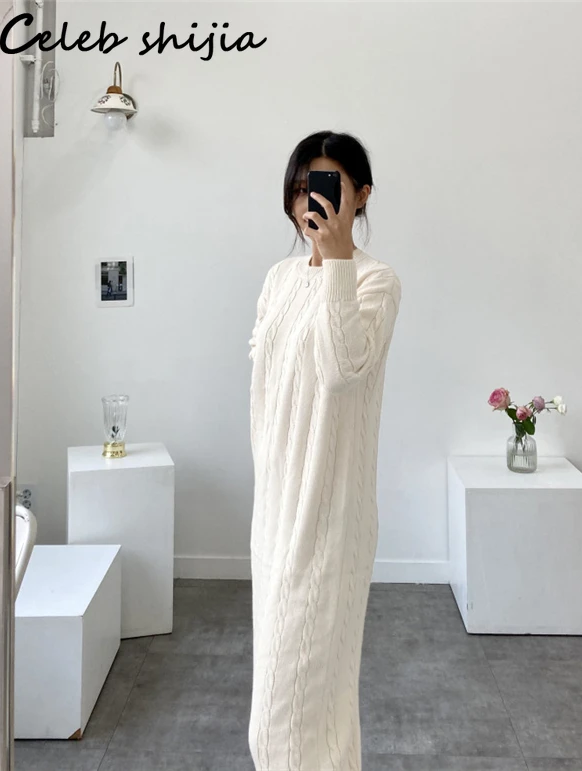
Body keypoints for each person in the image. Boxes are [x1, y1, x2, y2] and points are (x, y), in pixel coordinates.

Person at [247, 131, 402, 771]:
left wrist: (337, 263)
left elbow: (342, 371)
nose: (310, 200)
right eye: (301, 186)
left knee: (290, 714)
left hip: (331, 513)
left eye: (327, 186)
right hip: (275, 509)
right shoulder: (279, 278)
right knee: (305, 710)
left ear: (360, 195)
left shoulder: (376, 281)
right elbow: (268, 389)